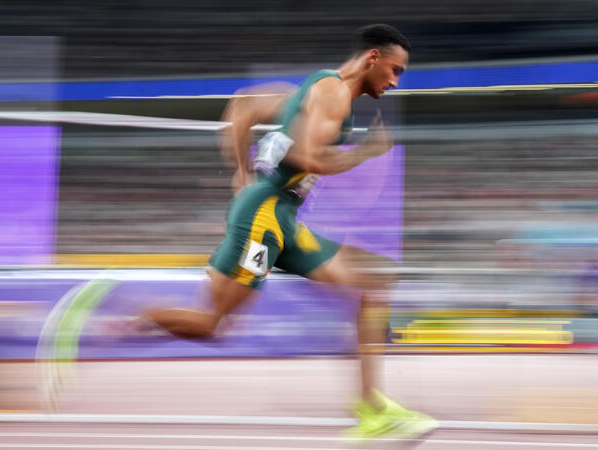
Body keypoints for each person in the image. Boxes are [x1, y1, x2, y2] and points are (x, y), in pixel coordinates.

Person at [141, 24, 438, 440]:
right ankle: (122, 318)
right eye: (395, 70)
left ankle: (373, 410)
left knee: (374, 284)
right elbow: (307, 156)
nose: (394, 81)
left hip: (280, 219)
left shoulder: (308, 89)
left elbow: (243, 105)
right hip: (264, 219)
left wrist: (242, 173)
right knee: (211, 324)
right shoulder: (333, 92)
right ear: (373, 57)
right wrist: (365, 153)